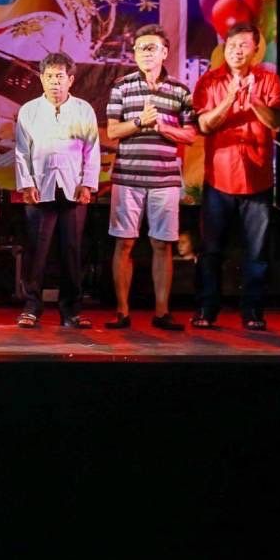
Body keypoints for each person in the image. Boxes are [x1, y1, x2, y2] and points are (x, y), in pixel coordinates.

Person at [190, 22, 280, 331]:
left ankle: (253, 312)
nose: (236, 51)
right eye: (232, 45)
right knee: (211, 251)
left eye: (244, 45)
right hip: (219, 179)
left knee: (257, 253)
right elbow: (204, 125)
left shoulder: (269, 80)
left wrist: (254, 99)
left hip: (258, 179)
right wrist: (230, 98)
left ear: (255, 49)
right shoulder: (210, 81)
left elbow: (278, 122)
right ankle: (206, 309)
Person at [104, 24, 197, 331]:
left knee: (162, 244)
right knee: (124, 243)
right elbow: (113, 131)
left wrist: (163, 127)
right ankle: (122, 311)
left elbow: (191, 135)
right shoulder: (121, 86)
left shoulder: (180, 90)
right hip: (127, 177)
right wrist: (139, 121)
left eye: (151, 48)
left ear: (164, 52)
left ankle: (162, 312)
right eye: (140, 48)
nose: (145, 53)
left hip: (165, 179)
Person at [13, 52, 101, 329]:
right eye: (49, 76)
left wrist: (88, 184)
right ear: (41, 78)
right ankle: (31, 307)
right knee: (36, 250)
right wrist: (27, 183)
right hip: (40, 188)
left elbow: (92, 150)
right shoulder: (29, 110)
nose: (54, 82)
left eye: (60, 77)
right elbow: (21, 151)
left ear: (70, 79)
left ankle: (71, 311)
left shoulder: (83, 109)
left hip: (73, 188)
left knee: (71, 251)